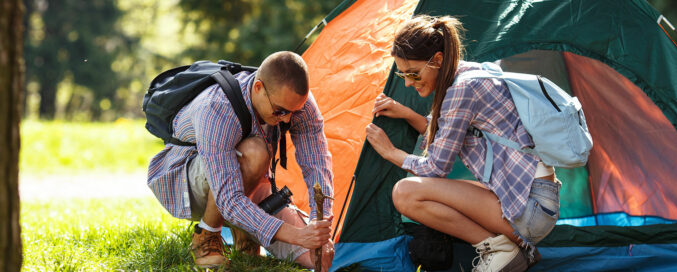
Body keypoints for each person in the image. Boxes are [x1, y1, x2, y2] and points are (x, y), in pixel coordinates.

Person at [365, 15, 560, 272]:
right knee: (436, 192)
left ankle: (499, 248)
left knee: (406, 193)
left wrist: (391, 153)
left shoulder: (461, 91)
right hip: (534, 200)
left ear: (437, 60)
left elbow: (436, 167)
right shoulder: (468, 73)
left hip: (531, 207)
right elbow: (448, 135)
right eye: (403, 73)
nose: (408, 82)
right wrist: (407, 113)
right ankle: (513, 247)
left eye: (412, 72)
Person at [147, 51, 334, 270]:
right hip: (188, 181)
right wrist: (297, 235)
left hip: (247, 184)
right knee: (255, 153)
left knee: (318, 259)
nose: (287, 119)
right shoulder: (216, 108)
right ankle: (207, 236)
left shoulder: (296, 103)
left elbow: (318, 165)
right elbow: (229, 199)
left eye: (294, 111)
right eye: (280, 111)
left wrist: (319, 222)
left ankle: (245, 232)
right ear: (258, 88)